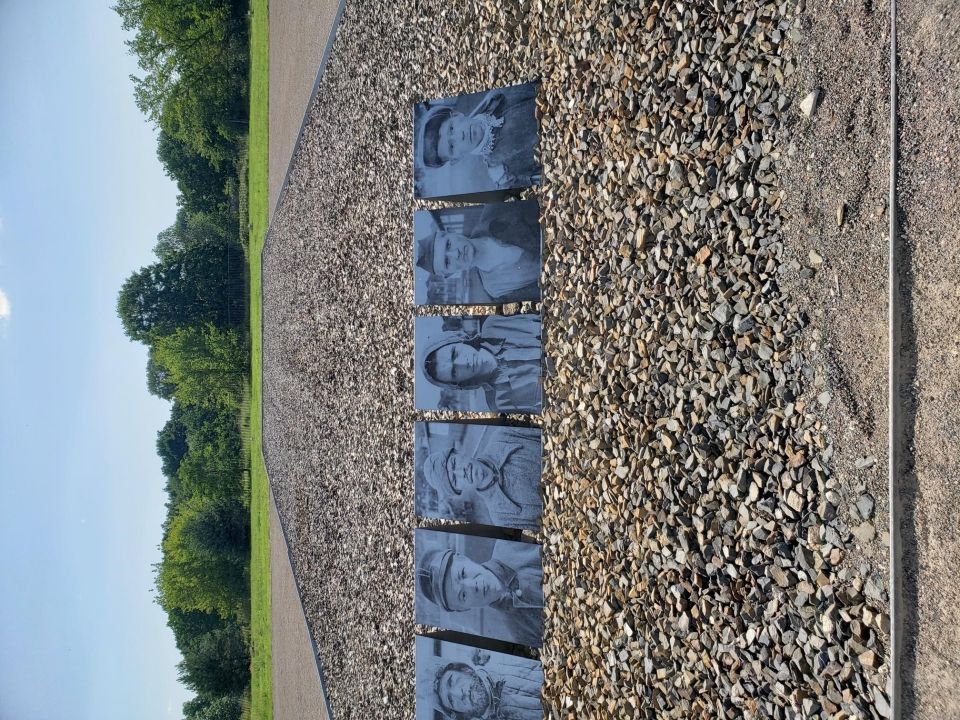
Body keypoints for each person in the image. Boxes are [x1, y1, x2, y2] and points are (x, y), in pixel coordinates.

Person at [416, 539, 543, 647]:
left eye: (463, 573)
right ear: (464, 609)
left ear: (463, 557)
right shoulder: (521, 634)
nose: (472, 586)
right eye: (463, 595)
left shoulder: (512, 543)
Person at [417, 84, 540, 192]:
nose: (460, 136)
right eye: (452, 146)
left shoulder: (497, 98)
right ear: (457, 159)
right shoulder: (503, 174)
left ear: (456, 114)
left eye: (452, 128)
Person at [421, 426, 542, 531]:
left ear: (458, 453)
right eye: (455, 480)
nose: (462, 472)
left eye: (454, 463)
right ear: (459, 491)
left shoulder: (503, 435)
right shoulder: (501, 517)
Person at [416, 203, 541, 304]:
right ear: (449, 274)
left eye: (448, 244)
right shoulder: (495, 289)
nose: (456, 253)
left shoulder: (496, 209)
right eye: (447, 262)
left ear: (451, 233)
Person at [421, 315, 541, 413]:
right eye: (454, 372)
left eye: (455, 353)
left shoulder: (493, 325)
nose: (463, 363)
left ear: (459, 340)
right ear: (458, 383)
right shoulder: (500, 403)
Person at [430, 652, 543, 720]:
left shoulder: (504, 663)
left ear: (466, 670)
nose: (460, 693)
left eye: (455, 681)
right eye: (452, 701)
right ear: (459, 714)